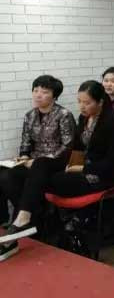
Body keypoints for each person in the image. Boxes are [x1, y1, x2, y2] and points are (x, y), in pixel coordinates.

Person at [1, 81, 114, 250]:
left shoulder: (113, 123)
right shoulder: (84, 118)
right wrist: (71, 164)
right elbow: (78, 150)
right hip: (78, 168)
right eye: (79, 101)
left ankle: (30, 220)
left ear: (100, 102)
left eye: (87, 102)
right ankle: (24, 216)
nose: (82, 106)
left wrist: (81, 168)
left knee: (45, 178)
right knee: (34, 166)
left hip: (99, 176)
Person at [0, 75, 75, 245]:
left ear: (54, 96)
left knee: (40, 163)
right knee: (5, 174)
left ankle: (26, 218)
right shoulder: (30, 115)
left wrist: (41, 159)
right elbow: (26, 142)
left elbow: (68, 146)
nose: (38, 95)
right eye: (35, 90)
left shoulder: (64, 115)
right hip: (35, 163)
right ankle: (21, 218)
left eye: (44, 92)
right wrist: (24, 157)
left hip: (57, 161)